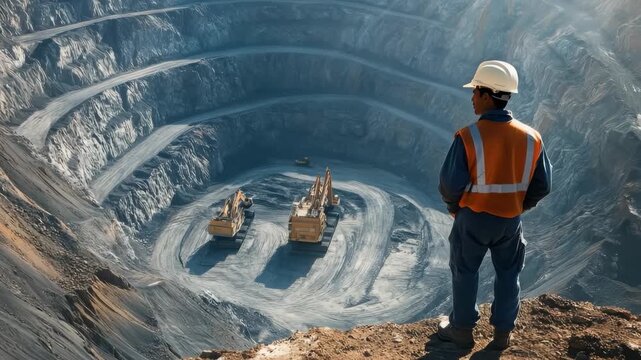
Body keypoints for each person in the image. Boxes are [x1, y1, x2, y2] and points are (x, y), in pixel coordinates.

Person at [437, 60, 552, 350]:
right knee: (508, 273)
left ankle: (462, 330)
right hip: (510, 221)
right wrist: (518, 206)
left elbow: (450, 184)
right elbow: (543, 185)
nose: (472, 97)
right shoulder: (532, 138)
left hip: (473, 217)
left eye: (476, 91)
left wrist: (455, 208)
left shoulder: (468, 136)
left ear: (488, 96)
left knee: (465, 271)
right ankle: (502, 335)